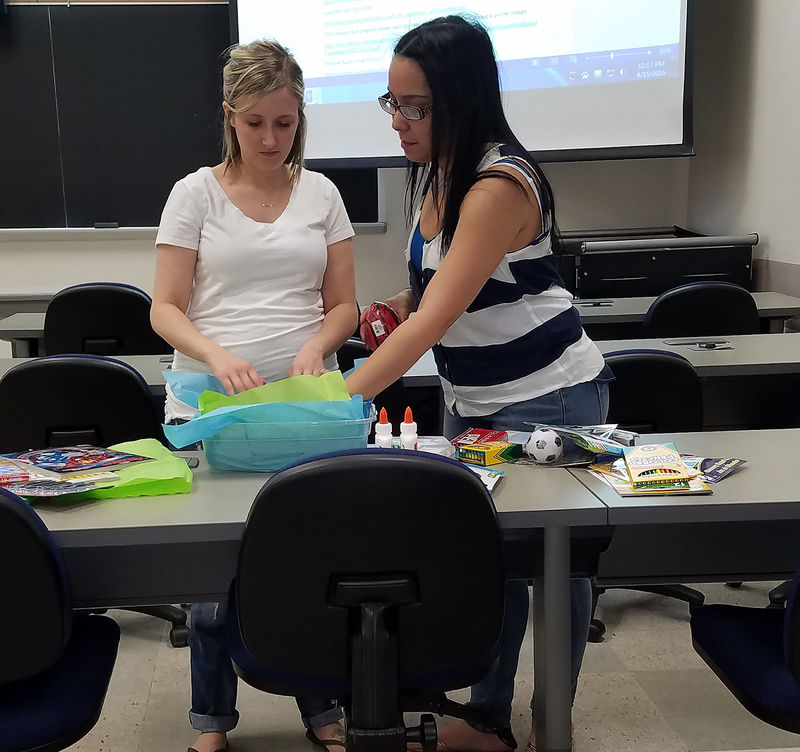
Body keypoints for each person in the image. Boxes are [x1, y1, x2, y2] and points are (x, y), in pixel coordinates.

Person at [343, 16, 612, 752]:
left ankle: (550, 717)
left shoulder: (497, 183)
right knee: (491, 563)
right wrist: (391, 308)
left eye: (416, 107)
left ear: (462, 100)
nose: (399, 122)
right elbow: (434, 293)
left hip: (549, 396)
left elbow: (434, 323)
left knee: (553, 564)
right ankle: (491, 715)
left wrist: (340, 399)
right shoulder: (433, 169)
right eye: (391, 104)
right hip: (479, 401)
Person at [150, 39, 357, 752]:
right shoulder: (194, 194)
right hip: (212, 407)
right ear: (230, 117)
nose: (272, 139)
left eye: (285, 123)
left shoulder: (323, 194)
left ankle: (322, 708)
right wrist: (216, 354)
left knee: (308, 563)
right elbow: (166, 308)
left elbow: (344, 306)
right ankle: (211, 720)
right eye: (256, 123)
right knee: (214, 574)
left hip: (300, 408)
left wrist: (318, 345)